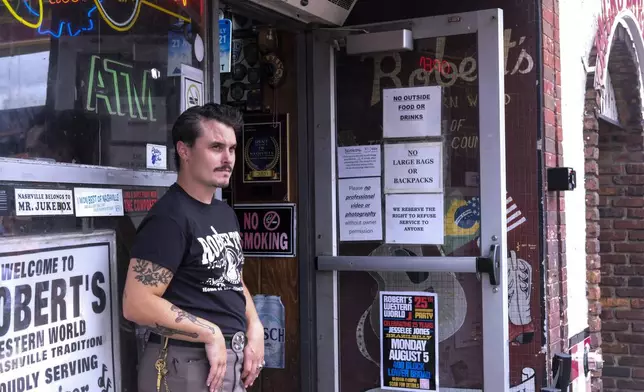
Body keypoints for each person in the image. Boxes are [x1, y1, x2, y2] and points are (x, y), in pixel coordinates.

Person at [123, 103, 264, 392]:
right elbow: (136, 303)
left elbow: (231, 277)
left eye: (233, 149)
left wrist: (256, 326)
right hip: (182, 364)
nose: (228, 159)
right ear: (184, 151)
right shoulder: (169, 218)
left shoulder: (223, 212)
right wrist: (209, 333)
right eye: (216, 147)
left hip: (227, 360)